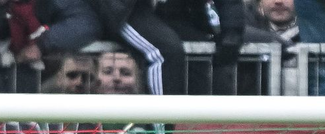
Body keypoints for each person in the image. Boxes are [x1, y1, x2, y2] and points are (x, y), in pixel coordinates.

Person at [93, 0, 246, 96]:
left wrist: (233, 31)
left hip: (180, 17)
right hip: (124, 12)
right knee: (163, 53)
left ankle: (188, 130)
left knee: (198, 63)